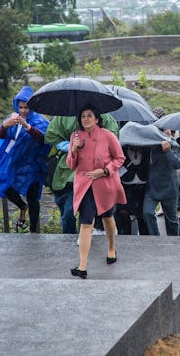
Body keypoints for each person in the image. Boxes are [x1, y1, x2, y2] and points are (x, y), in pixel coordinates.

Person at [67, 105, 126, 279]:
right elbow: (71, 164)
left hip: (104, 185)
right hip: (85, 185)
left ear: (97, 119)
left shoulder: (108, 136)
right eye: (83, 116)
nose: (85, 119)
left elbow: (120, 158)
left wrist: (105, 170)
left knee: (107, 217)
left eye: (89, 116)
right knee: (86, 223)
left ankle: (111, 248)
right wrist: (74, 149)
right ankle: (82, 265)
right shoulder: (75, 137)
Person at [0, 86, 49, 233]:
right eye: (21, 107)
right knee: (3, 182)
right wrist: (5, 126)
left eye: (26, 107)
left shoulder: (39, 120)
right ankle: (21, 206)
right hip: (16, 163)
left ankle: (34, 230)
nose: (23, 110)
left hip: (33, 164)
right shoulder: (11, 118)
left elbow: (43, 139)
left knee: (33, 198)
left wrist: (27, 126)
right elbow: (1, 136)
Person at [45, 114, 120, 234]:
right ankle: (71, 240)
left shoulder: (105, 117)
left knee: (85, 214)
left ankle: (87, 237)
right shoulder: (63, 116)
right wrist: (70, 146)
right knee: (68, 214)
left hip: (93, 173)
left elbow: (114, 145)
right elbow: (51, 135)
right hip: (67, 173)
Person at [143, 136, 180, 236]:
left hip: (169, 187)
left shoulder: (172, 144)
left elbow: (177, 164)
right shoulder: (146, 144)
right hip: (153, 187)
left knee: (172, 220)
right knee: (147, 212)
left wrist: (168, 151)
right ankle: (155, 237)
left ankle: (173, 242)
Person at [115, 145, 150, 235]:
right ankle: (125, 239)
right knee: (122, 214)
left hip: (142, 185)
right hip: (126, 185)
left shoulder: (147, 148)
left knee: (143, 216)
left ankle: (146, 241)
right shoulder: (121, 148)